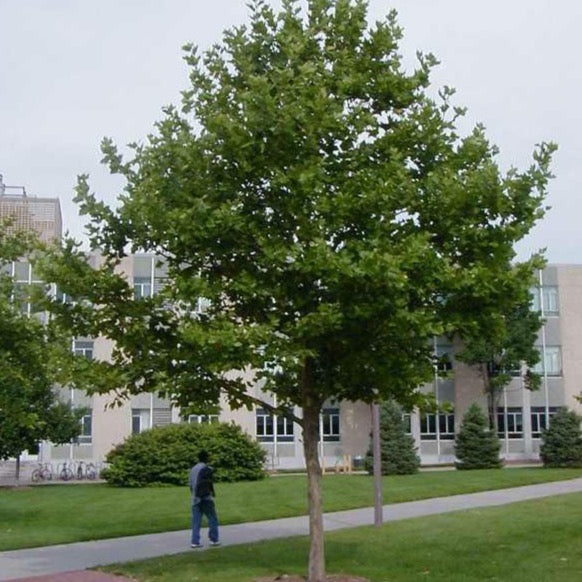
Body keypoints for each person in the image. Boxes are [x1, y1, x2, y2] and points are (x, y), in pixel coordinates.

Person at [189, 450, 220, 548]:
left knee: (196, 521)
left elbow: (190, 484)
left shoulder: (193, 469)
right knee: (212, 518)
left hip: (195, 498)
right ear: (206, 458)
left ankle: (195, 541)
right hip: (206, 498)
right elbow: (209, 483)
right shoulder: (207, 469)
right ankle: (214, 539)